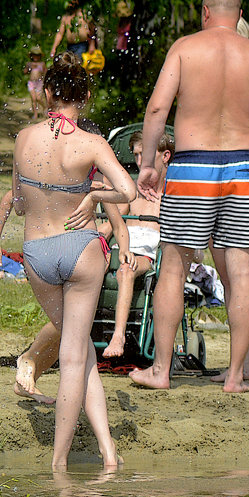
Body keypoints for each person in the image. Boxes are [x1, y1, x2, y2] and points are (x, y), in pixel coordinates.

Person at [0, 54, 135, 472]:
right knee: (75, 354)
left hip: (37, 254)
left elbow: (17, 205)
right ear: (85, 96)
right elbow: (125, 191)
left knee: (80, 347)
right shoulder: (91, 143)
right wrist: (91, 196)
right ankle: (60, 462)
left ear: (49, 92)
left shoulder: (22, 139)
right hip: (81, 250)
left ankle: (108, 454)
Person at [131, 0, 249, 394]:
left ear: (204, 13)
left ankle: (160, 371)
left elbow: (157, 109)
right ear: (239, 15)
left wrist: (148, 163)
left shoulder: (184, 48)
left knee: (175, 263)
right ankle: (236, 376)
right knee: (240, 269)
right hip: (242, 166)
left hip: (194, 165)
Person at [101, 132, 170, 358]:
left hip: (145, 257)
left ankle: (118, 336)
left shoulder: (171, 196)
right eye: (136, 155)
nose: (139, 162)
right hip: (120, 250)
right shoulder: (132, 192)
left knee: (126, 269)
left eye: (145, 155)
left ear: (165, 156)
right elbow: (112, 225)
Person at [25, 46, 47, 120]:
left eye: (37, 55)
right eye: (34, 55)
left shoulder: (42, 64)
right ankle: (35, 114)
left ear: (40, 56)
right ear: (31, 56)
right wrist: (30, 68)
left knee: (38, 98)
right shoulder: (29, 64)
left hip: (39, 82)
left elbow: (45, 73)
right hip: (31, 82)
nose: (35, 56)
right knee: (33, 99)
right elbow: (25, 72)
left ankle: (44, 107)